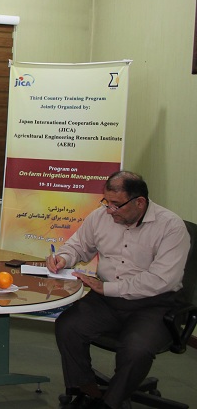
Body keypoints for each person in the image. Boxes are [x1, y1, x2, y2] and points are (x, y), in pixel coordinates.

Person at [47, 171, 190, 409]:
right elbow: (78, 246)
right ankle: (85, 390)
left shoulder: (171, 227)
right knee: (68, 326)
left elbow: (161, 280)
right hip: (107, 300)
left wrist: (107, 288)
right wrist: (63, 257)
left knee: (136, 349)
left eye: (116, 205)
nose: (109, 210)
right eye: (106, 202)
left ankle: (110, 404)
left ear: (139, 202)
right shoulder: (100, 216)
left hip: (154, 303)